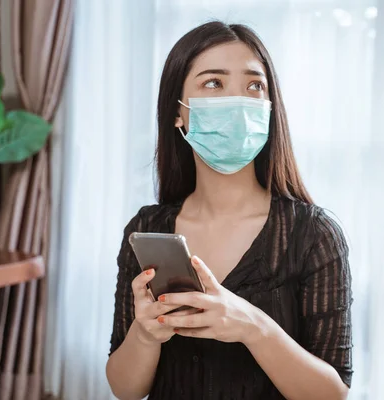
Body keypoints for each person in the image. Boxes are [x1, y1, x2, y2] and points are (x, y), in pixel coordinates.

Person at [106, 21, 353, 400]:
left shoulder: (314, 235)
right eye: (213, 83)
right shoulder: (147, 228)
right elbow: (125, 389)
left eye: (255, 86)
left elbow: (332, 394)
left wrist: (253, 326)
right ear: (178, 112)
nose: (238, 101)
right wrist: (144, 333)